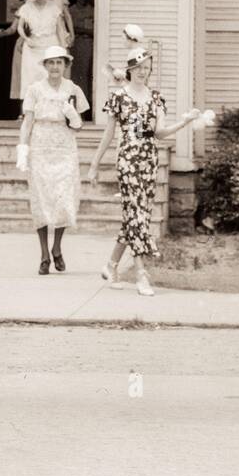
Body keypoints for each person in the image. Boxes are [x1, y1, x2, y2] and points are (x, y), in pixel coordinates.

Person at [87, 38, 199, 297]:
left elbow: (159, 133)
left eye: (146, 67)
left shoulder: (156, 99)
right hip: (127, 160)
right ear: (129, 69)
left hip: (149, 161)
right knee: (136, 215)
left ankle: (111, 265)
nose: (142, 71)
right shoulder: (119, 98)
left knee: (136, 217)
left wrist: (185, 122)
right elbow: (107, 134)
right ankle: (141, 274)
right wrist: (94, 164)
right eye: (138, 67)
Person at [16, 45, 88, 274]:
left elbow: (78, 125)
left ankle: (57, 247)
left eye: (59, 62)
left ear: (65, 65)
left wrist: (72, 114)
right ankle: (44, 254)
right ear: (45, 66)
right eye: (51, 62)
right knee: (41, 197)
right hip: (41, 144)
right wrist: (23, 149)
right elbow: (27, 121)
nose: (55, 67)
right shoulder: (35, 89)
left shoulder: (73, 89)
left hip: (65, 146)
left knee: (63, 197)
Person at [15, 0, 74, 98]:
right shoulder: (27, 7)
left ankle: (49, 107)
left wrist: (63, 46)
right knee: (31, 76)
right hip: (32, 46)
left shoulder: (54, 7)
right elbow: (20, 27)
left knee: (48, 75)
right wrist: (26, 38)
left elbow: (59, 28)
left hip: (50, 44)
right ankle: (30, 109)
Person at [69, 0, 94, 113]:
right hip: (76, 46)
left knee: (87, 76)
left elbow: (94, 31)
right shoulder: (71, 11)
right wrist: (83, 30)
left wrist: (81, 30)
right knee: (76, 77)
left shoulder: (92, 10)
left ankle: (87, 109)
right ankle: (77, 110)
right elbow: (69, 28)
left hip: (89, 45)